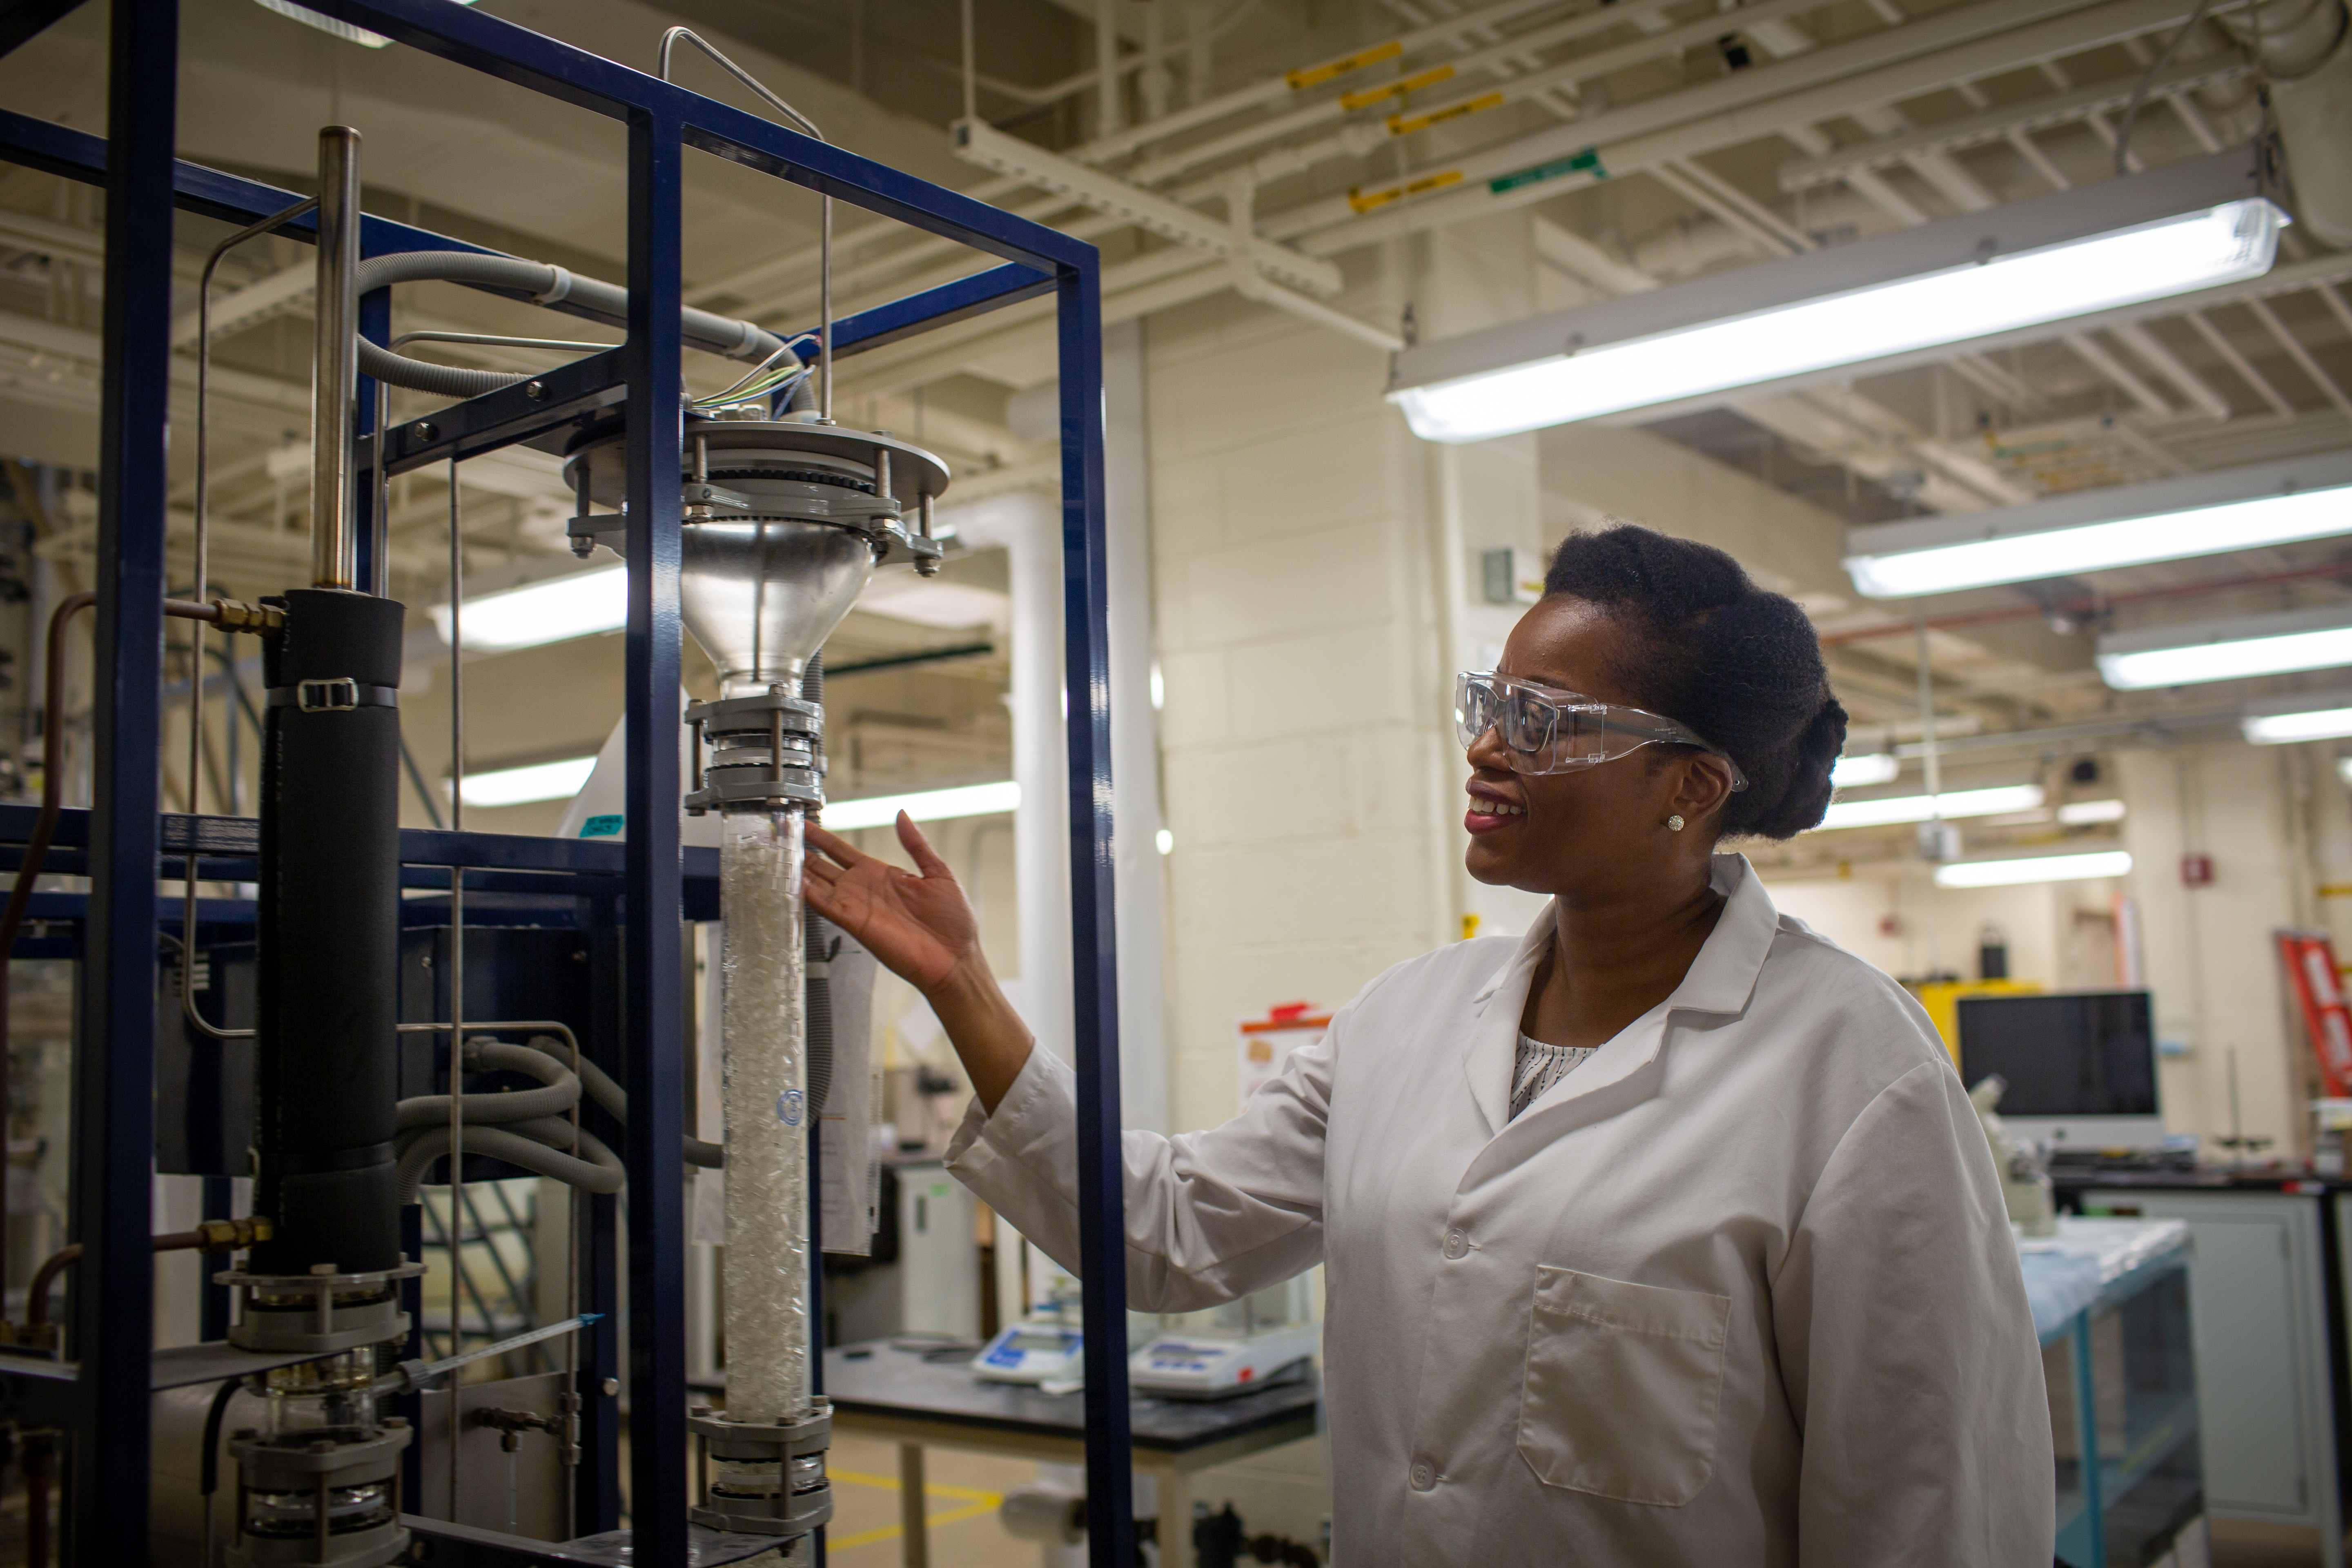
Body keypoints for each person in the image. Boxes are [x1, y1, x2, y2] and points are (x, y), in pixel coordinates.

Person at [804, 523, 2054, 1566]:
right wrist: (965, 984)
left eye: (1547, 721)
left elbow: (1930, 1505)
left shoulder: (1852, 1073)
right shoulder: (1405, 1020)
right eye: (1491, 703)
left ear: (1693, 788)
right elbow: (1168, 1234)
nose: (1488, 747)